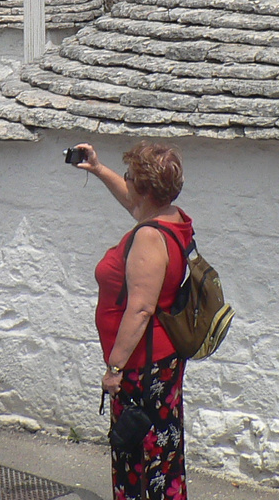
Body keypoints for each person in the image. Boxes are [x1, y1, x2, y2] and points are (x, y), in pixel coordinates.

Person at [76, 141, 193, 500]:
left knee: (139, 459)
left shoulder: (148, 238)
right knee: (163, 453)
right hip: (162, 361)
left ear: (145, 189)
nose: (125, 184)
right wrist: (98, 169)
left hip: (142, 370)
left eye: (130, 178)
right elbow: (133, 203)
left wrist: (114, 368)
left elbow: (140, 310)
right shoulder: (171, 219)